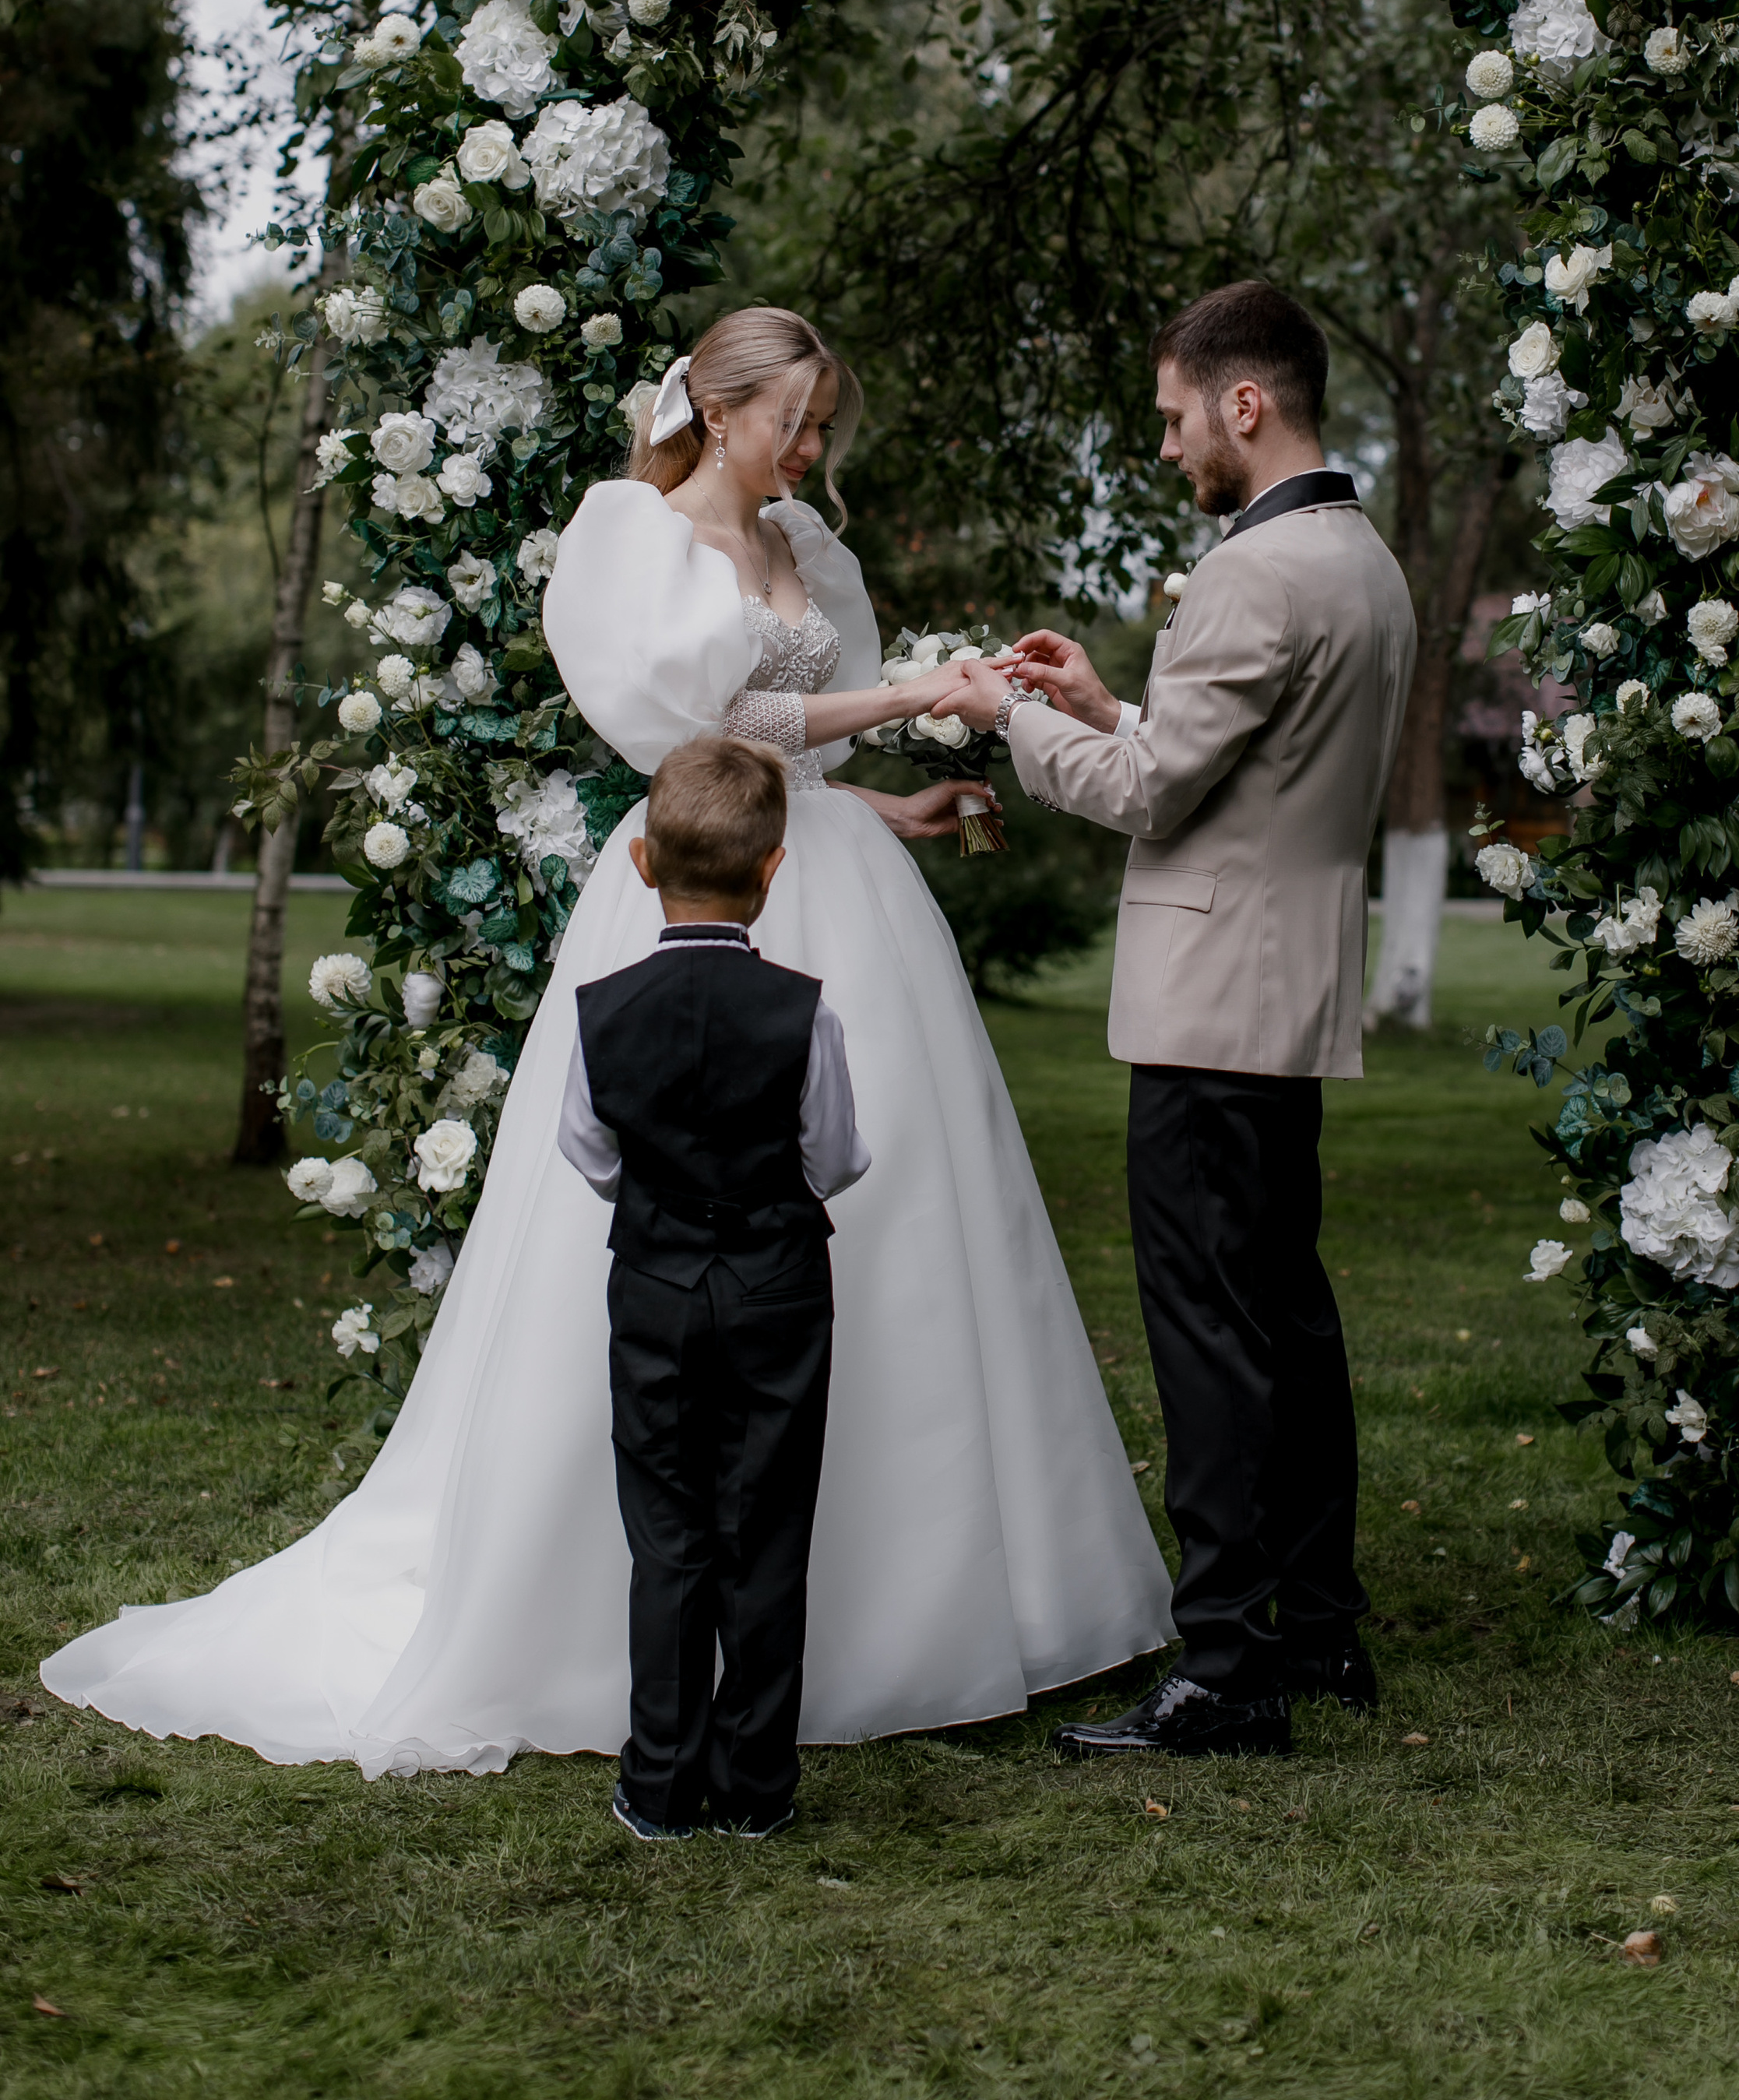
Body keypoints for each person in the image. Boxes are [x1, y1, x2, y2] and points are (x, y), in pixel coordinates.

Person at [43, 308, 1171, 1775]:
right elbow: (708, 722)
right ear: (721, 409)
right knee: (695, 1217)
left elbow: (792, 756)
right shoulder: (637, 536)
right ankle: (632, 1614)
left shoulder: (803, 551)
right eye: (798, 423)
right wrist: (922, 700)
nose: (814, 450)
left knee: (899, 1215)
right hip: (704, 894)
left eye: (826, 426)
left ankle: (931, 1589)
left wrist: (884, 798)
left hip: (829, 874)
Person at [934, 281, 1416, 1761]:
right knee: (1284, 1315)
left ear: (1243, 404)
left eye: (1171, 417)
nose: (1166, 447)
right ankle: (1316, 1626)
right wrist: (1098, 695)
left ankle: (1223, 1668)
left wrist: (1006, 715)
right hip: (1284, 990)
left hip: (1211, 1008)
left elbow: (1150, 802)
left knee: (1211, 1334)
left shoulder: (1252, 573)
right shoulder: (1363, 562)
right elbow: (1227, 770)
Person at [560, 737, 869, 1841]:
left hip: (651, 1284)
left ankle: (658, 1785)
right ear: (774, 869)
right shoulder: (805, 1011)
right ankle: (755, 1791)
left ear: (641, 862)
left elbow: (589, 1151)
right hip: (780, 1284)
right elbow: (835, 1157)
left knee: (668, 1534)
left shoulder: (602, 1009)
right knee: (765, 1530)